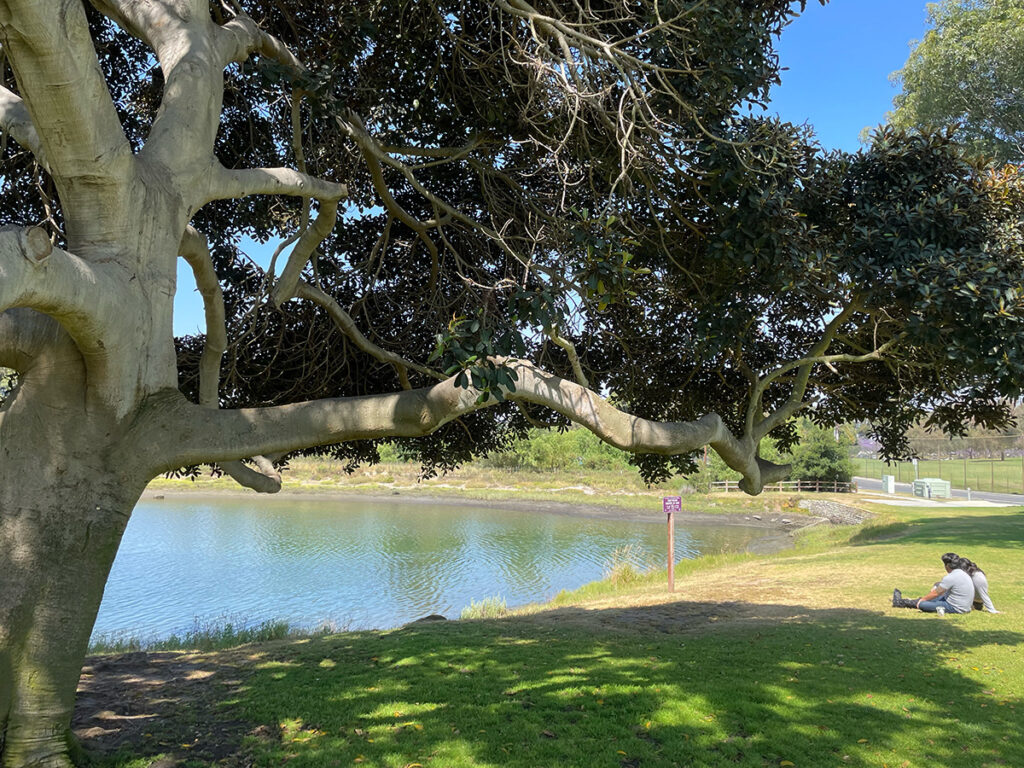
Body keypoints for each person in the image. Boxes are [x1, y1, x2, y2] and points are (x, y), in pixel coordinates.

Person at [892, 552, 974, 614]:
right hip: (964, 606)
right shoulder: (963, 573)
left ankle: (901, 602)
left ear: (947, 566)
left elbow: (936, 593)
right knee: (931, 599)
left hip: (955, 607)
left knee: (923, 604)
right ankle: (903, 602)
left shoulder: (951, 577)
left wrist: (923, 600)